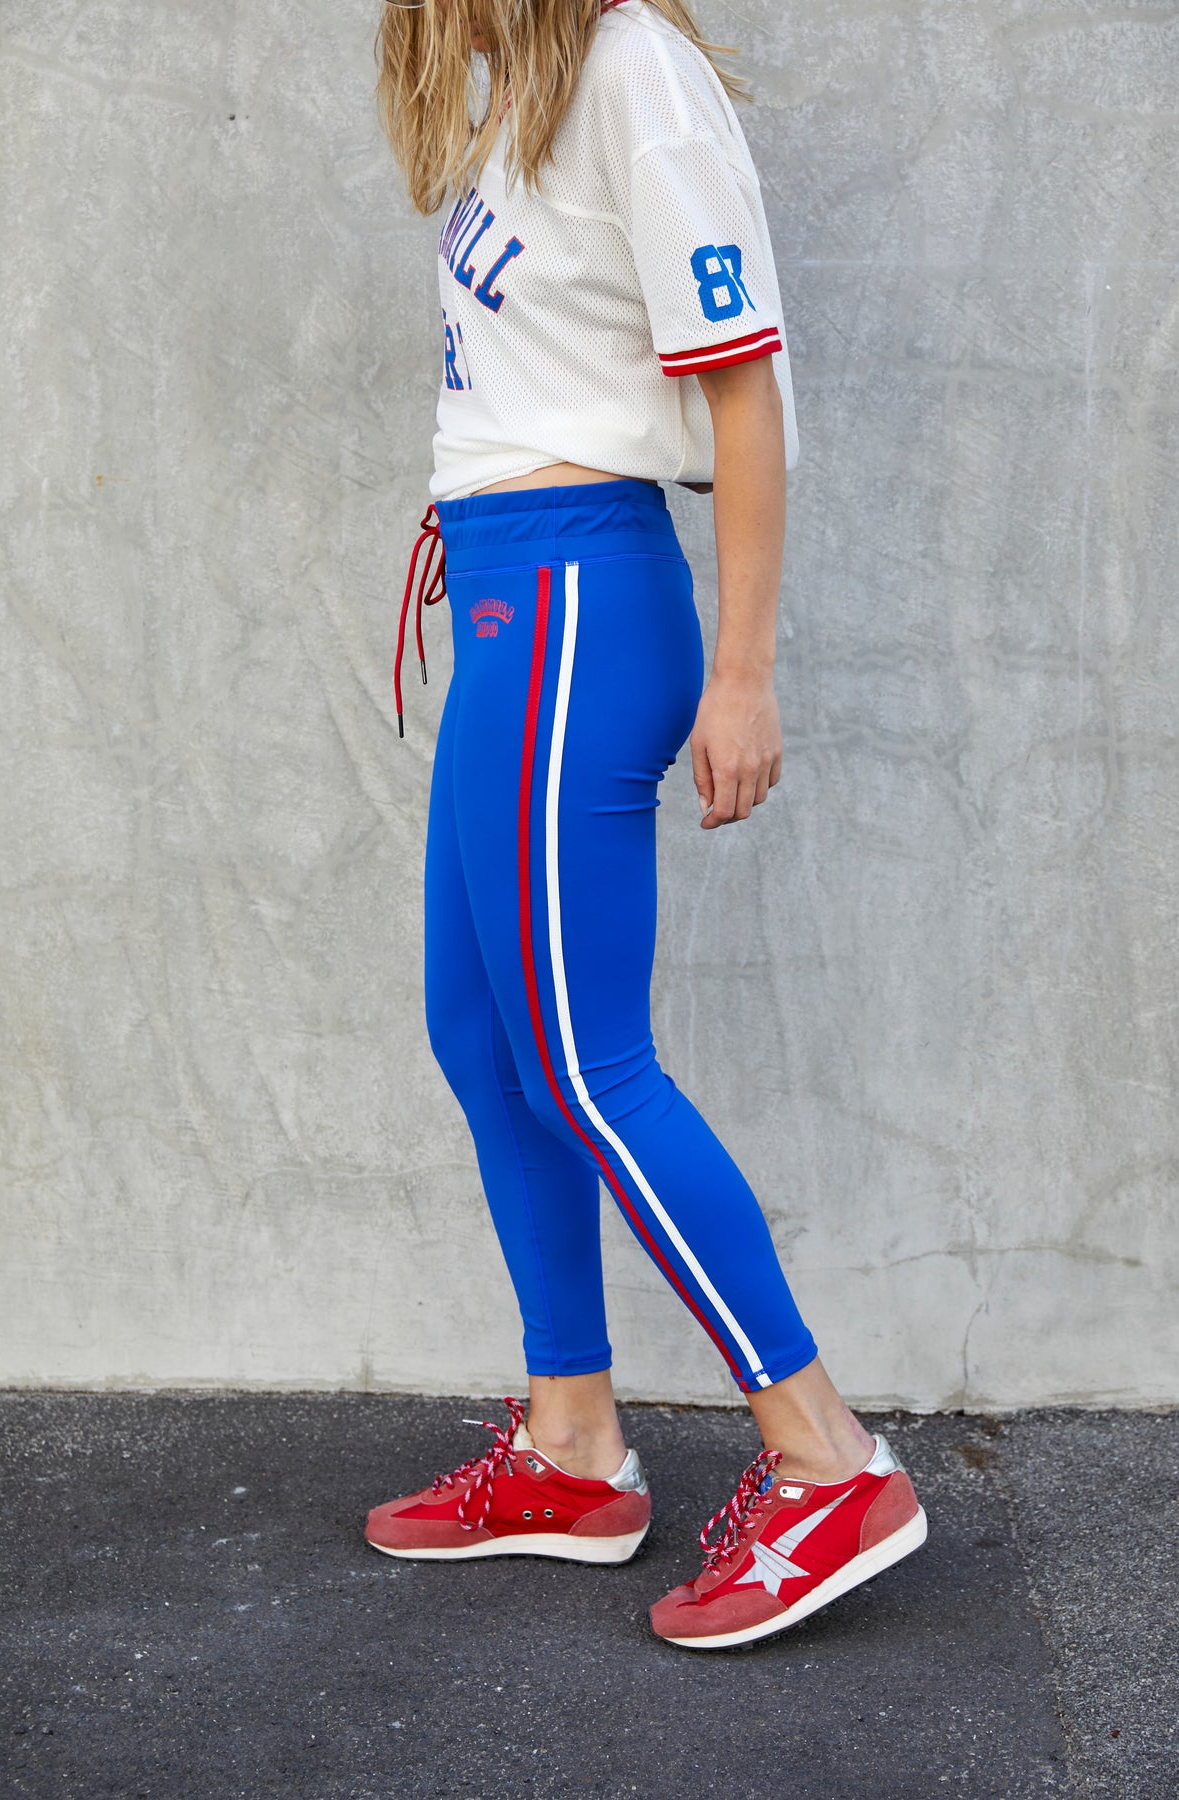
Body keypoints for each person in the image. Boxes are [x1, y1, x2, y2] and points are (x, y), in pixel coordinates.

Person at [364, 0, 927, 1650]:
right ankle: (572, 1445)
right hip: (508, 601)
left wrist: (742, 674)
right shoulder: (520, 99)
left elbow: (742, 383)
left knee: (579, 1059)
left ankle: (827, 1458)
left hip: (576, 605)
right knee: (482, 1034)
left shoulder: (630, 71)